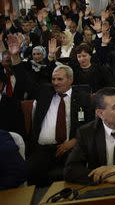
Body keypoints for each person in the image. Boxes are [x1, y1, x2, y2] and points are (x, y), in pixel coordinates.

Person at [8, 33, 94, 187]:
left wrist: (75, 140)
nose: (55, 82)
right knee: (27, 171)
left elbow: (90, 123)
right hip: (43, 149)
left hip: (70, 147)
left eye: (59, 79)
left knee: (78, 173)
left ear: (70, 80)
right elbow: (24, 80)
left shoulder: (82, 97)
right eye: (53, 79)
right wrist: (15, 56)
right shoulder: (45, 93)